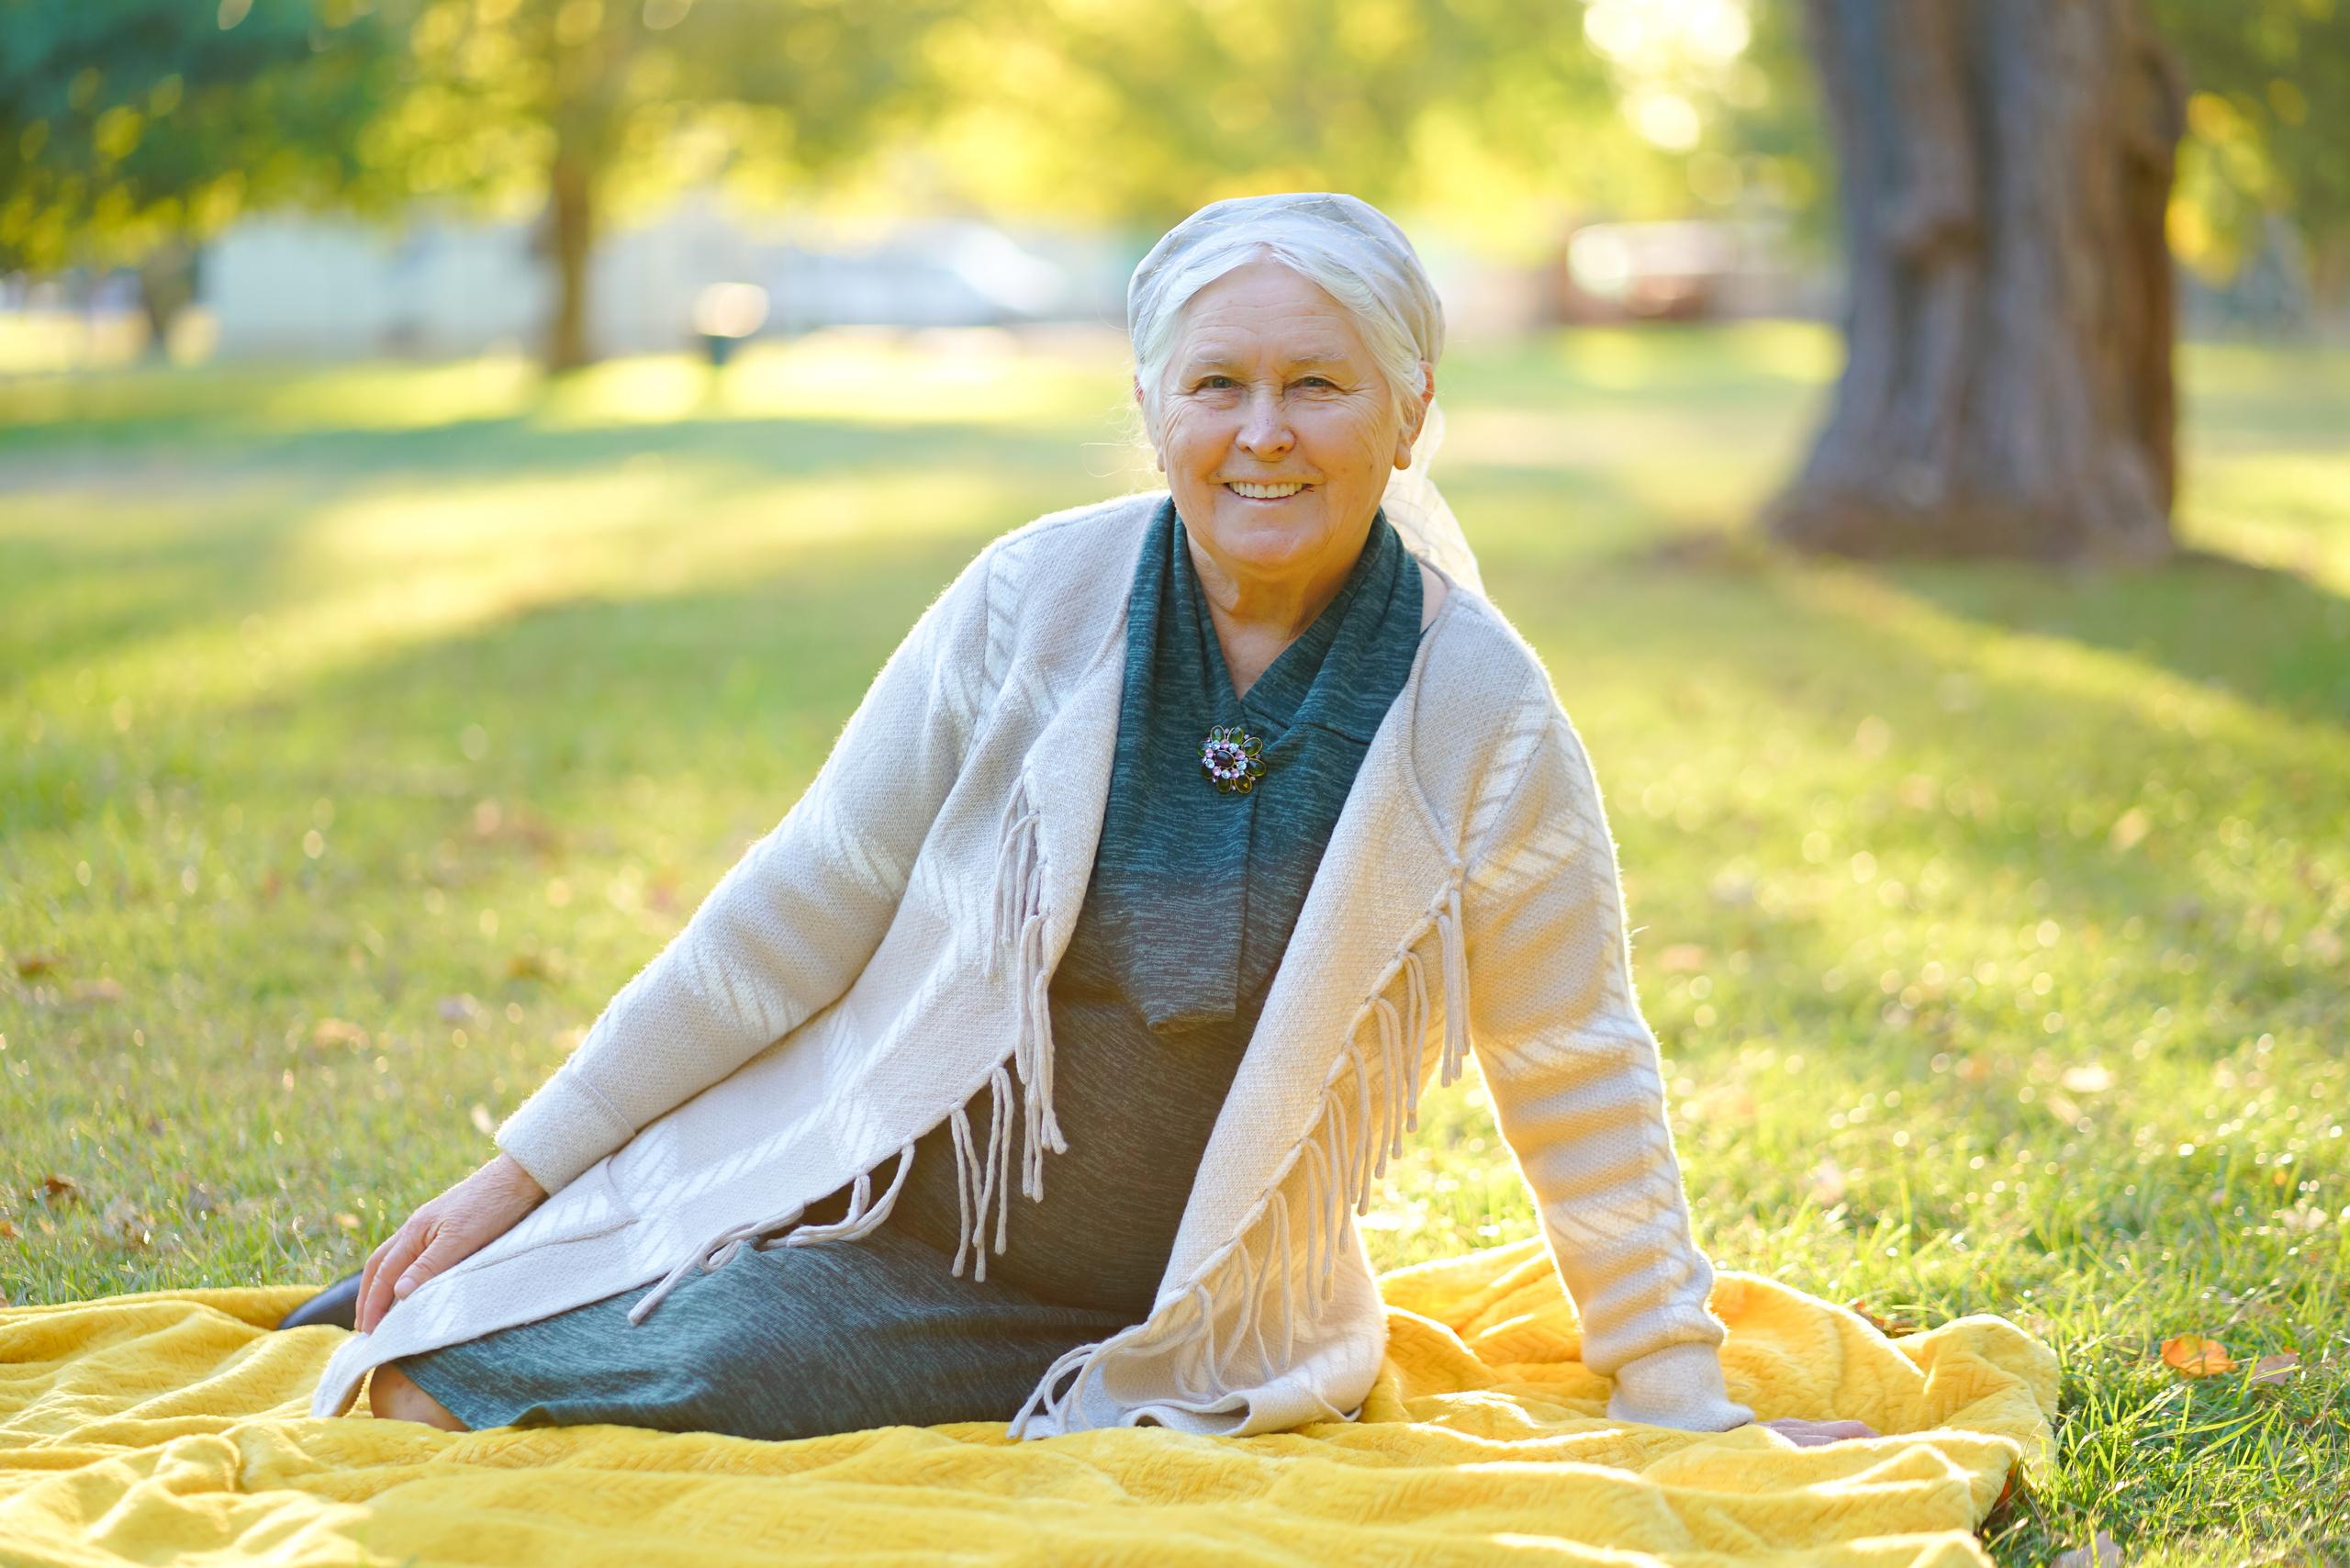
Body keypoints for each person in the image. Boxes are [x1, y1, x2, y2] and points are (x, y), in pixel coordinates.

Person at [300, 193, 1868, 1450]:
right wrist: (519, 1175)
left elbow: (1576, 1064)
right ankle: (605, 1252)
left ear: (1408, 414)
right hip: (842, 1178)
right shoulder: (1028, 603)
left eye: (1319, 384)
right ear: (1149, 406)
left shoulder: (1480, 709)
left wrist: (1678, 1394)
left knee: (447, 1391)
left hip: (1129, 1312)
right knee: (412, 1307)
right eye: (1218, 384)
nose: (1266, 431)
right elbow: (794, 912)